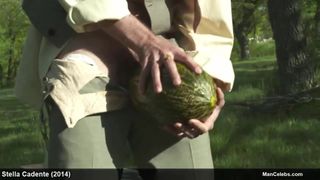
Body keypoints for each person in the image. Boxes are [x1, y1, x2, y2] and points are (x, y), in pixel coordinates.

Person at [15, 0, 235, 179]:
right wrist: (144, 41)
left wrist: (209, 81)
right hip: (86, 69)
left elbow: (212, 17)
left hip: (169, 74)